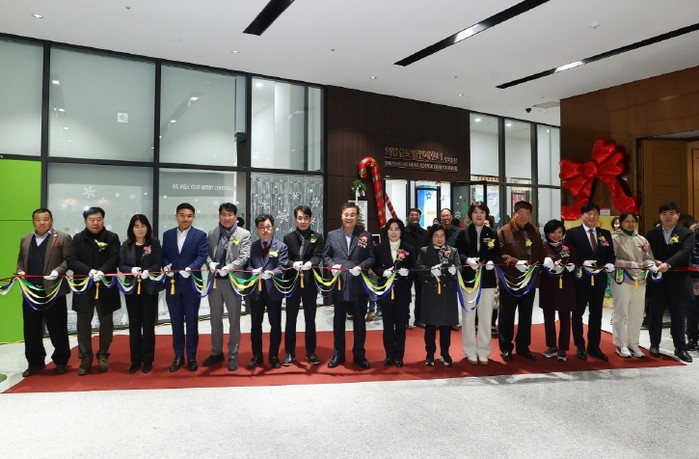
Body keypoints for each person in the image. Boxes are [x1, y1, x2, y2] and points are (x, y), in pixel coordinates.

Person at [16, 208, 72, 376]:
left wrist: (58, 271)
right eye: (38, 219)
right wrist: (20, 271)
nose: (42, 222)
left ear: (51, 220)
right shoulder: (25, 239)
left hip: (54, 290)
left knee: (57, 327)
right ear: (33, 221)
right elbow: (20, 260)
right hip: (31, 292)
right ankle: (35, 362)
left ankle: (61, 361)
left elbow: (68, 259)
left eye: (45, 219)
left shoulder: (62, 237)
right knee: (31, 328)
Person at [68, 206, 121, 375]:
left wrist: (102, 271)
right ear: (85, 221)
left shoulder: (112, 238)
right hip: (83, 286)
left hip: (105, 286)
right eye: (91, 220)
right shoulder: (78, 238)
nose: (95, 223)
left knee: (106, 322)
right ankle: (85, 358)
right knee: (83, 323)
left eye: (99, 219)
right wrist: (89, 270)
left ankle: (103, 355)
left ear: (103, 220)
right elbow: (71, 260)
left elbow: (115, 258)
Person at [323, 202, 375, 369]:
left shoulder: (365, 235)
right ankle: (338, 354)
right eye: (346, 214)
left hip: (358, 285)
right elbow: (326, 256)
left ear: (357, 216)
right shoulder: (332, 235)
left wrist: (361, 266)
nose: (349, 217)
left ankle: (359, 354)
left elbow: (371, 257)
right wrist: (332, 266)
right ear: (341, 216)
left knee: (359, 322)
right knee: (338, 321)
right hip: (339, 284)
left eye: (352, 214)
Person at [564, 203, 615, 361]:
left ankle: (594, 346)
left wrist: (610, 263)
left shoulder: (605, 233)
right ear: (582, 215)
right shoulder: (573, 233)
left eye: (595, 214)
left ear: (598, 216)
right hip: (580, 279)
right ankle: (580, 345)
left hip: (599, 279)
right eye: (588, 214)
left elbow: (610, 253)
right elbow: (567, 254)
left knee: (596, 313)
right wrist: (581, 262)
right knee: (578, 312)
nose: (592, 217)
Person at [203, 203, 251, 372]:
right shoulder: (212, 232)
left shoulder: (244, 234)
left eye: (230, 215)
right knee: (215, 318)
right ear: (219, 216)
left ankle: (233, 355)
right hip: (215, 281)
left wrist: (230, 267)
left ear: (235, 216)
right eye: (223, 214)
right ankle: (216, 352)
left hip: (233, 281)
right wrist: (210, 263)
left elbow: (244, 256)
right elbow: (206, 253)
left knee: (234, 319)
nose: (226, 218)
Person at [645, 202, 695, 362]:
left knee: (678, 315)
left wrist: (668, 264)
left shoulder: (687, 233)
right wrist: (653, 262)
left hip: (679, 280)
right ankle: (654, 344)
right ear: (660, 216)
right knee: (655, 313)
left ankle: (680, 348)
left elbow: (685, 252)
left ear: (678, 215)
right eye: (664, 213)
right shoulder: (651, 233)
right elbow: (646, 252)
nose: (668, 216)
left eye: (671, 213)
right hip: (657, 280)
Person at [161, 202, 208, 372]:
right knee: (176, 321)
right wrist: (166, 266)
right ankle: (178, 356)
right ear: (176, 216)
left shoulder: (200, 235)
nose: (185, 219)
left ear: (193, 217)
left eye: (189, 216)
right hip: (173, 284)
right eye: (182, 215)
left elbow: (202, 256)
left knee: (192, 321)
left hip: (191, 284)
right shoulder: (167, 235)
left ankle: (192, 356)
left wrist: (191, 268)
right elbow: (164, 255)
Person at [497, 200, 545, 362]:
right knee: (507, 315)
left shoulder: (534, 231)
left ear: (530, 215)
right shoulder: (504, 231)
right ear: (514, 213)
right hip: (509, 281)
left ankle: (523, 346)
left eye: (527, 214)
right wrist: (515, 262)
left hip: (529, 281)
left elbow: (540, 251)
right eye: (520, 214)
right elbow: (500, 254)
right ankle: (506, 348)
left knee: (526, 315)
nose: (523, 217)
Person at [455, 201, 500, 365]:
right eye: (475, 212)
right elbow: (456, 253)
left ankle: (483, 351)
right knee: (468, 316)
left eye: (482, 212)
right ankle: (469, 351)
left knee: (486, 316)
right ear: (470, 215)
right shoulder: (463, 233)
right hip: (469, 279)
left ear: (486, 214)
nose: (479, 215)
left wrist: (491, 261)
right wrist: (467, 260)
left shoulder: (492, 233)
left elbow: (497, 253)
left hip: (487, 280)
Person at [118, 214, 163, 374]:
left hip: (149, 289)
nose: (140, 229)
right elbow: (121, 265)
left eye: (143, 226)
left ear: (147, 228)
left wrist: (148, 271)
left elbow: (158, 263)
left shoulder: (154, 243)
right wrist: (131, 270)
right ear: (132, 228)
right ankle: (135, 360)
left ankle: (148, 360)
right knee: (134, 325)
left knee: (148, 325)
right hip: (132, 290)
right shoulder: (126, 245)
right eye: (136, 226)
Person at [609, 212, 656, 358]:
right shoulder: (614, 238)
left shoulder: (642, 239)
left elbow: (648, 257)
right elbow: (611, 259)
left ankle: (633, 343)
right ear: (621, 222)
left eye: (633, 221)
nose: (630, 224)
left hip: (640, 280)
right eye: (627, 221)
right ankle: (621, 344)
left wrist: (651, 265)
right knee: (621, 312)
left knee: (637, 313)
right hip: (622, 279)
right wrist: (628, 264)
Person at [283, 205, 324, 366]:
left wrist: (310, 263)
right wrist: (292, 264)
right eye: (300, 218)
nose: (303, 221)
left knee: (310, 318)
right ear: (295, 219)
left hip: (310, 282)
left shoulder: (317, 237)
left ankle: (311, 352)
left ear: (310, 219)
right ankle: (289, 353)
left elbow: (318, 256)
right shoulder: (288, 238)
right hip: (292, 282)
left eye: (306, 218)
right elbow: (284, 259)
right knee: (290, 318)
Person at [246, 214, 289, 369]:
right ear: (257, 229)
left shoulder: (281, 246)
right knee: (255, 325)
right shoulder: (253, 247)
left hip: (273, 291)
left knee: (275, 324)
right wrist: (252, 271)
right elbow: (247, 265)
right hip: (256, 291)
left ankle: (273, 355)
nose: (265, 230)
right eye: (262, 227)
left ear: (273, 227)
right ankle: (257, 356)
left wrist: (271, 273)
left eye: (268, 227)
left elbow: (283, 267)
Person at [415, 224, 461, 366]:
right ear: (431, 237)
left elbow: (459, 267)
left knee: (446, 327)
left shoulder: (453, 251)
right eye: (436, 236)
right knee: (430, 327)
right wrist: (430, 271)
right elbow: (418, 268)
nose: (439, 238)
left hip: (447, 295)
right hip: (431, 294)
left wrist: (454, 271)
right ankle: (430, 354)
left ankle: (445, 354)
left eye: (442, 236)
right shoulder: (424, 251)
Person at [372, 218, 415, 367]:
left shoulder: (409, 248)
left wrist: (407, 273)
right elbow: (375, 266)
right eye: (391, 229)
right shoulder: (379, 248)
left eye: (397, 229)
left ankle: (399, 356)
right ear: (387, 231)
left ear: (401, 231)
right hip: (385, 292)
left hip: (402, 292)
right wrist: (383, 272)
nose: (394, 232)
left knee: (401, 327)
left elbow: (414, 269)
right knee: (388, 326)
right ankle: (389, 355)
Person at [539, 219, 578, 361]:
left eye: (559, 232)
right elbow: (536, 262)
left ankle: (563, 348)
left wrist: (573, 265)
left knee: (565, 318)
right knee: (548, 317)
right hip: (548, 286)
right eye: (553, 232)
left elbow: (576, 260)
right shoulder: (542, 247)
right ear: (547, 233)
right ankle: (551, 346)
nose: (556, 235)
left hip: (565, 286)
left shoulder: (568, 246)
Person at [403, 208, 428, 328]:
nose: (414, 217)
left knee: (421, 295)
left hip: (420, 268)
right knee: (405, 295)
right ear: (408, 217)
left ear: (420, 217)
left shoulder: (425, 233)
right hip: (406, 268)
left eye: (417, 215)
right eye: (412, 215)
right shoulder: (402, 232)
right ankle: (404, 319)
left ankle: (419, 319)